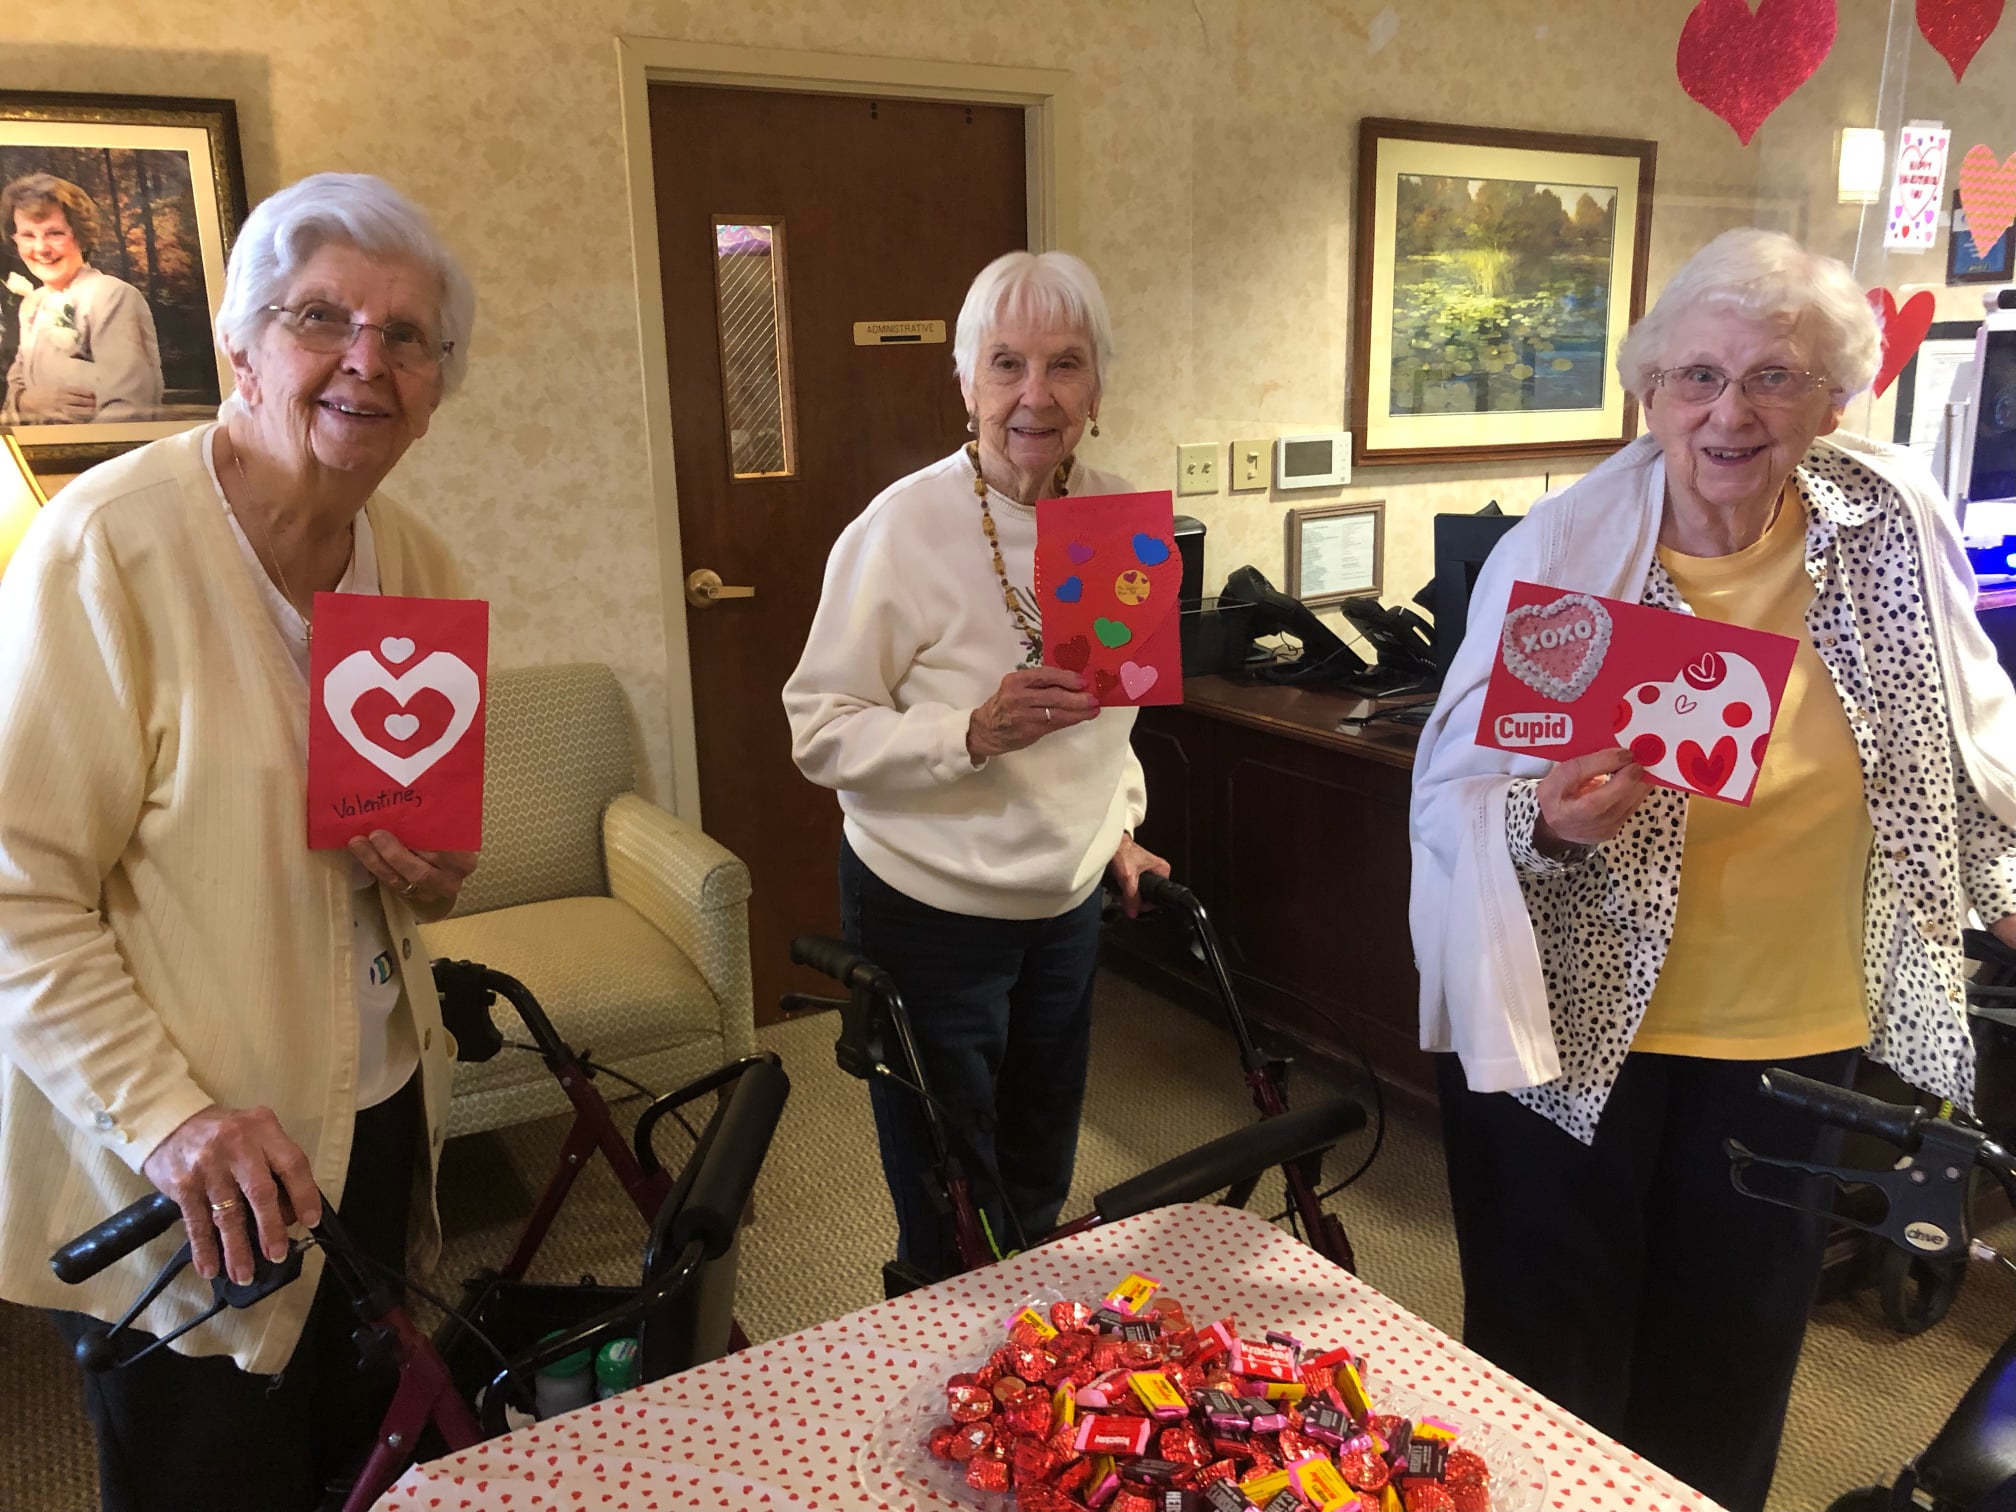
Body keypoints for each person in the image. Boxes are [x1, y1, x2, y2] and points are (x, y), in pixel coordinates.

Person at [1410, 227, 2016, 1512]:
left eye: (1774, 378)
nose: (1729, 412)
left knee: (1733, 1355)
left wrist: (2005, 891)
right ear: (1651, 392)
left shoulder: (1887, 528)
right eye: (1698, 377)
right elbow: (1459, 791)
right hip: (1574, 1032)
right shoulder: (1570, 551)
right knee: (1547, 1354)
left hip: (1793, 1034)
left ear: (1833, 398)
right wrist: (1554, 824)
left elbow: (1969, 733)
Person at [0, 172, 479, 1511]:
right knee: (213, 1480)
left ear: (439, 380)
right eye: (322, 318)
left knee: (362, 1464)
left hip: (376, 1113)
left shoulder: (419, 559)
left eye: (407, 337)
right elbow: (13, 893)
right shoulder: (108, 550)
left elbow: (426, 868)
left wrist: (441, 871)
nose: (364, 362)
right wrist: (172, 1123)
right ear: (239, 343)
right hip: (189, 1168)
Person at [784, 250, 1168, 1276]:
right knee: (951, 1192)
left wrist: (1117, 823)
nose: (1034, 395)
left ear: (1098, 385)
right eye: (1006, 364)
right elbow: (817, 728)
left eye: (1065, 364)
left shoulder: (1124, 518)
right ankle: (937, 1382)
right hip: (930, 905)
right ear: (966, 383)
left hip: (1065, 904)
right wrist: (969, 733)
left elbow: (1109, 723)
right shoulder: (900, 528)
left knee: (1038, 1172)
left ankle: (1027, 1380)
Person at [1, 173, 164, 424]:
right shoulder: (33, 305)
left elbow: (129, 408)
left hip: (95, 459)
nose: (41, 248)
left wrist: (77, 452)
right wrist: (29, 401)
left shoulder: (112, 296)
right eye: (28, 235)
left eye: (55, 233)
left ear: (80, 235)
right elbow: (15, 390)